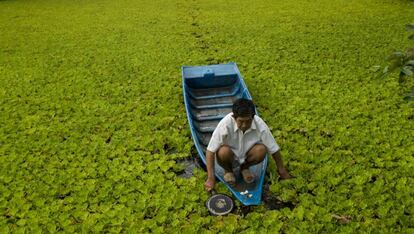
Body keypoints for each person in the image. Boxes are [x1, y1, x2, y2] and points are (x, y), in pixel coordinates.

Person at [204, 98, 292, 191]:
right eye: (241, 121)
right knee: (223, 152)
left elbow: (274, 149)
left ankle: (244, 168)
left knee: (261, 150)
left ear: (253, 117)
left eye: (248, 121)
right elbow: (210, 151)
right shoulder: (225, 124)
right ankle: (228, 171)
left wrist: (281, 170)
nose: (244, 125)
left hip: (247, 156)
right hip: (229, 156)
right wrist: (211, 178)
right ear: (234, 118)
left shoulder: (259, 124)